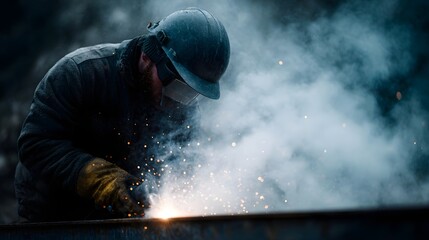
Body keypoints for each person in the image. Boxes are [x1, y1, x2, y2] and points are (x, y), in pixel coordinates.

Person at [14, 7, 230, 222]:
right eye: (175, 87)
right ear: (148, 55)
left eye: (189, 93)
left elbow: (184, 167)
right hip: (54, 217)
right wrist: (101, 180)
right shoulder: (80, 73)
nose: (178, 101)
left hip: (121, 220)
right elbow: (35, 144)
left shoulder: (185, 108)